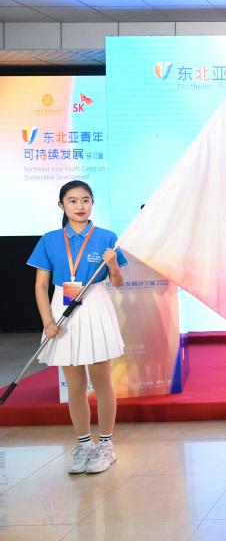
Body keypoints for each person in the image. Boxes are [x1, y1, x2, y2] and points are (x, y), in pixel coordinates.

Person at [27, 180, 128, 473]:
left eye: (85, 200)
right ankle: (84, 445)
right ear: (62, 205)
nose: (80, 206)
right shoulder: (49, 240)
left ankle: (105, 445)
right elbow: (41, 285)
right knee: (75, 385)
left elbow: (118, 282)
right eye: (72, 201)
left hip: (95, 304)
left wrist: (112, 265)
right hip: (63, 308)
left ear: (92, 203)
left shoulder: (107, 237)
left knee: (102, 382)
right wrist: (47, 322)